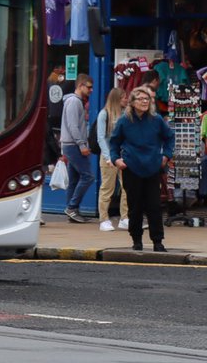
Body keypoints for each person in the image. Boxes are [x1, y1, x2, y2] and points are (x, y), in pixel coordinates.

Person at [108, 88, 175, 252]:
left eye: (147, 99)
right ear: (132, 102)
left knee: (154, 206)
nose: (145, 101)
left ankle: (158, 242)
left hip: (152, 168)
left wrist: (166, 155)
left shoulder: (156, 119)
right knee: (135, 207)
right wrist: (116, 159)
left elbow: (170, 137)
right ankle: (136, 240)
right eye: (140, 99)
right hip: (132, 169)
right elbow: (114, 143)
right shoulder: (124, 121)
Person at [59, 73, 95, 223]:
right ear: (80, 86)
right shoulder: (74, 102)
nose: (91, 90)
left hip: (70, 144)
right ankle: (72, 207)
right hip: (73, 145)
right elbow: (73, 126)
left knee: (74, 179)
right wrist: (82, 145)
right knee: (88, 176)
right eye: (89, 87)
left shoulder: (75, 101)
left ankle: (72, 210)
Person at [95, 87, 130, 232]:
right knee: (107, 188)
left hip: (123, 156)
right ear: (117, 99)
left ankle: (125, 218)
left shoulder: (125, 114)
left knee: (127, 187)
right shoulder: (104, 114)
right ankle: (104, 219)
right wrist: (108, 157)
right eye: (124, 97)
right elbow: (101, 138)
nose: (127, 99)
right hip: (109, 157)